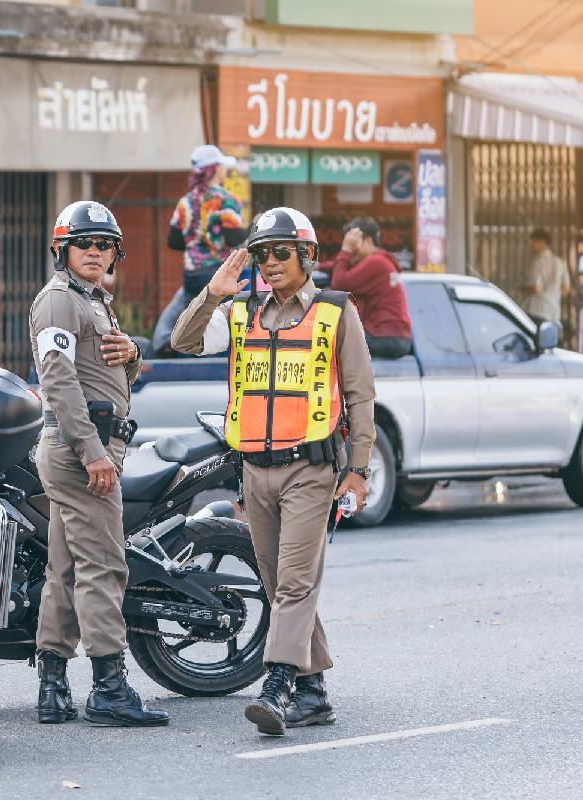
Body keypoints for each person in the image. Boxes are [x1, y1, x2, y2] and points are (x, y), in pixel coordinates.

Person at [169, 206, 376, 736]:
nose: (271, 262)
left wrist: (358, 470)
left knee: (296, 582)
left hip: (311, 467)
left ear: (308, 256)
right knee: (279, 581)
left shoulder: (334, 311)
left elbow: (360, 394)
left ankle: (278, 685)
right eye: (262, 254)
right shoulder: (241, 312)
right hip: (255, 470)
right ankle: (313, 692)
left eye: (283, 252)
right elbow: (183, 341)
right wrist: (213, 292)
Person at [29, 200, 169, 728]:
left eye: (104, 244)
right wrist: (93, 453)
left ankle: (52, 684)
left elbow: (109, 365)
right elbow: (59, 380)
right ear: (63, 251)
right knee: (105, 567)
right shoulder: (59, 300)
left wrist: (132, 352)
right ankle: (110, 687)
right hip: (80, 448)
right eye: (84, 243)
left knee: (64, 571)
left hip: (84, 446)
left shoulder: (94, 300)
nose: (95, 251)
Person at [151, 144, 246, 355]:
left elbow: (174, 241)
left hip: (191, 275)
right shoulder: (225, 200)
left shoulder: (185, 201)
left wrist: (197, 238)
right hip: (219, 272)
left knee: (196, 317)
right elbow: (234, 237)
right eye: (221, 166)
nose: (224, 170)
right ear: (214, 169)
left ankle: (175, 350)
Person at [318, 217, 413, 359]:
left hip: (385, 336)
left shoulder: (377, 262)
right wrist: (316, 266)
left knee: (324, 340)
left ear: (368, 241)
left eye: (353, 245)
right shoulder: (380, 261)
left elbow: (339, 284)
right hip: (391, 336)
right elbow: (338, 268)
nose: (351, 252)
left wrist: (345, 251)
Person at [519, 228, 572, 327]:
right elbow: (566, 289)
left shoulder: (537, 262)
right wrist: (552, 293)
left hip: (536, 310)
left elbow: (536, 288)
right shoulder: (560, 262)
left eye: (534, 242)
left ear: (542, 243)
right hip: (554, 312)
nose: (531, 245)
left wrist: (522, 288)